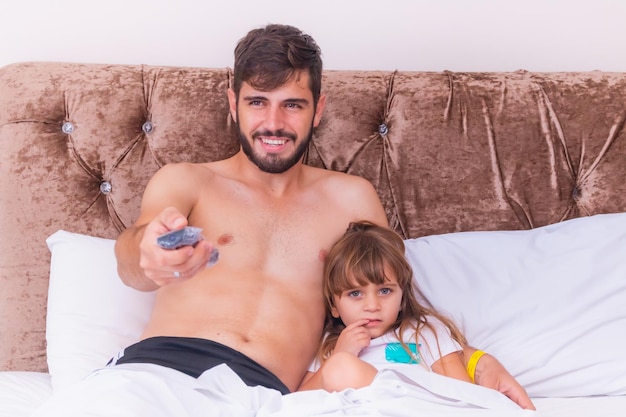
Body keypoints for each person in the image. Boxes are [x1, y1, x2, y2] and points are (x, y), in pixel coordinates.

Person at [33, 23, 534, 414]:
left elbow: (393, 307)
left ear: (317, 110)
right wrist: (147, 255)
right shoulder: (187, 181)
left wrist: (474, 360)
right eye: (257, 102)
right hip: (159, 375)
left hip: (273, 397)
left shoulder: (352, 199)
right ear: (234, 105)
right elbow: (132, 257)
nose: (273, 123)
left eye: (292, 105)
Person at [299, 221, 480, 392]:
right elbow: (298, 402)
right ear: (334, 306)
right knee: (340, 367)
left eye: (384, 291)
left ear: (402, 298)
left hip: (415, 406)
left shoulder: (423, 332)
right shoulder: (330, 345)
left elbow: (463, 391)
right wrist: (340, 353)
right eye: (355, 294)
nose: (372, 306)